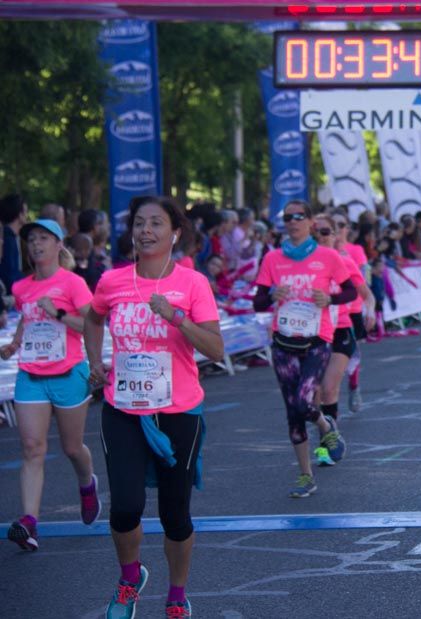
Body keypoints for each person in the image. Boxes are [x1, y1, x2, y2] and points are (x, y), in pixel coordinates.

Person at [84, 196, 224, 619]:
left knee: (175, 513)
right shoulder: (112, 281)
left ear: (174, 233)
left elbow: (216, 349)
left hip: (179, 411)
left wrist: (177, 317)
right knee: (125, 506)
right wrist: (95, 361)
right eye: (139, 223)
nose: (146, 230)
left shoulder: (192, 284)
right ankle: (130, 579)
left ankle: (177, 595)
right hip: (123, 407)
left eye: (156, 223)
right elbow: (92, 318)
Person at [2, 219, 98, 552]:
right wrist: (14, 344)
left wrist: (58, 313)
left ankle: (87, 484)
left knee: (72, 448)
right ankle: (29, 521)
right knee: (32, 447)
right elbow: (26, 320)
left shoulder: (73, 283)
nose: (36, 245)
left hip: (69, 373)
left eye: (44, 238)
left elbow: (90, 325)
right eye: (31, 240)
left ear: (59, 245)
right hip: (31, 375)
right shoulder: (20, 287)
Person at [252, 200, 358, 498]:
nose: (293, 221)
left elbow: (350, 290)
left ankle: (325, 424)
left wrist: (330, 299)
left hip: (317, 339)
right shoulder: (272, 259)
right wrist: (272, 294)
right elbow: (258, 302)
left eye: (299, 216)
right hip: (283, 341)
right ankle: (305, 475)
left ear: (310, 222)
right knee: (293, 411)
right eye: (288, 217)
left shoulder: (328, 257)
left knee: (303, 400)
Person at [312, 213, 374, 448]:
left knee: (329, 389)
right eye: (316, 233)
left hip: (341, 329)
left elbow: (367, 294)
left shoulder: (345, 261)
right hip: (312, 333)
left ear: (335, 235)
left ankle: (328, 445)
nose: (321, 237)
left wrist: (369, 310)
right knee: (313, 395)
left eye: (326, 232)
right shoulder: (302, 265)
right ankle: (327, 431)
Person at [0, 193, 28, 291]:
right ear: (19, 215)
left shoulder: (12, 237)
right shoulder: (8, 238)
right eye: (25, 212)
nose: (27, 215)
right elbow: (10, 273)